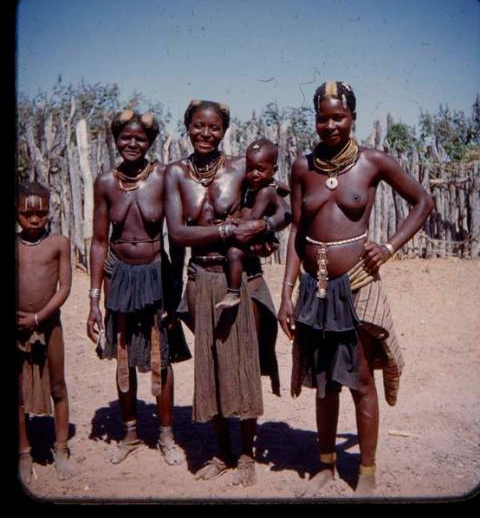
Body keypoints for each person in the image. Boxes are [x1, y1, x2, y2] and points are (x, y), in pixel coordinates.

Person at [278, 81, 434, 496]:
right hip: (314, 286)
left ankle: (366, 471)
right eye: (322, 118)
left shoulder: (372, 162)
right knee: (324, 379)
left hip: (358, 284)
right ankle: (326, 465)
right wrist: (286, 291)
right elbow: (297, 230)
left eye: (338, 117)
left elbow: (423, 201)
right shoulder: (302, 167)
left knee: (361, 378)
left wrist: (389, 247)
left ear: (353, 118)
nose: (329, 126)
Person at [165, 100, 290, 487]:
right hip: (201, 277)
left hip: (242, 278)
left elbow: (286, 208)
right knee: (212, 365)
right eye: (199, 126)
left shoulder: (243, 167)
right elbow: (178, 234)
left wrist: (264, 226)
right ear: (187, 126)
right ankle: (221, 451)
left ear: (224, 130)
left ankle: (247, 455)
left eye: (214, 127)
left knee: (244, 363)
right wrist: (227, 232)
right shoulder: (174, 174)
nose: (206, 133)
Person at [86, 109, 190, 467]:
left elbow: (176, 238)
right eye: (125, 138)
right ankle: (129, 433)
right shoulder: (104, 183)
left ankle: (166, 435)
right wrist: (94, 299)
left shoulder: (163, 178)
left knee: (162, 356)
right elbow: (99, 241)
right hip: (119, 274)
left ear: (150, 143)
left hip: (155, 273)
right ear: (115, 140)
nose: (132, 144)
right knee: (123, 352)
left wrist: (174, 290)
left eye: (140, 139)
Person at [17, 182, 74, 484]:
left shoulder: (59, 243)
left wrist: (39, 317)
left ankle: (61, 448)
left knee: (58, 386)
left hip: (49, 325)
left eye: (41, 213)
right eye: (27, 215)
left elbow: (64, 287)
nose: (35, 220)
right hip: (17, 328)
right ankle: (24, 452)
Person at [216, 138, 281, 310]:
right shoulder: (254, 187)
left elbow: (254, 219)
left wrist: (234, 221)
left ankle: (234, 291)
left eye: (260, 169)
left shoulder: (265, 192)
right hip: (250, 234)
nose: (254, 174)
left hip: (256, 236)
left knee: (234, 253)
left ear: (273, 170)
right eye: (250, 169)